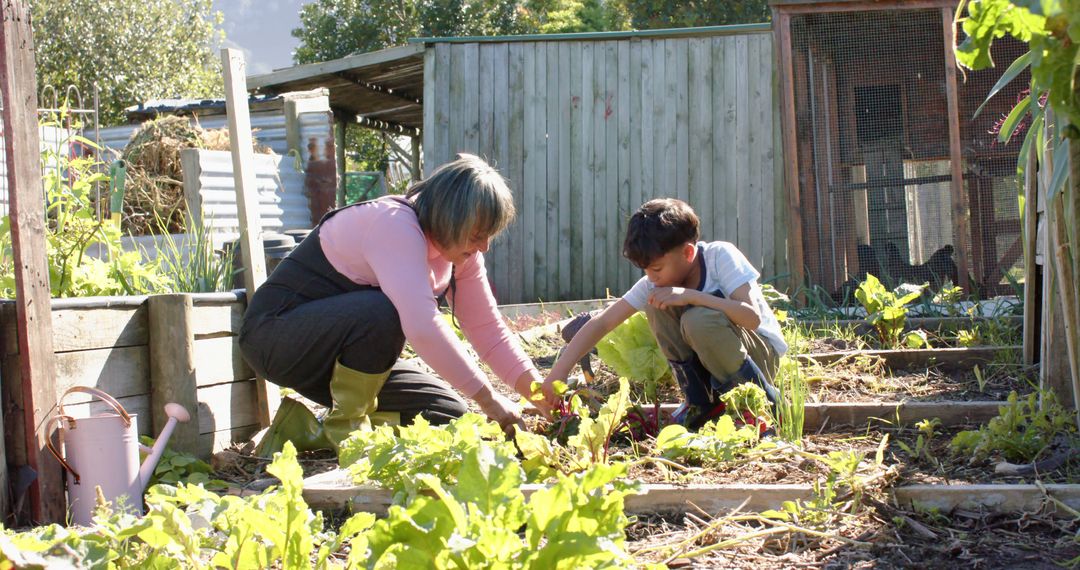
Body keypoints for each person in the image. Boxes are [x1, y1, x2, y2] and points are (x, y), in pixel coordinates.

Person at [239, 154, 545, 453]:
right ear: (451, 219)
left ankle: (302, 430)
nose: (484, 247)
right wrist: (490, 400)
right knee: (383, 311)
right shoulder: (394, 224)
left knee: (446, 414)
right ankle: (347, 433)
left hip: (344, 359)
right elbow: (423, 325)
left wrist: (543, 395)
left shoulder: (462, 253)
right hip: (277, 341)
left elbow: (487, 329)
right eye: (477, 235)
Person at [542, 198, 787, 430]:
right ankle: (701, 404)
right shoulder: (655, 283)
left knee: (697, 319)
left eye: (657, 268)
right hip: (716, 366)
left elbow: (751, 318)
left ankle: (759, 406)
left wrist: (692, 296)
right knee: (656, 305)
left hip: (758, 357)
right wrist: (558, 372)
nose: (652, 277)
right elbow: (603, 322)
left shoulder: (719, 257)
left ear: (688, 254)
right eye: (647, 270)